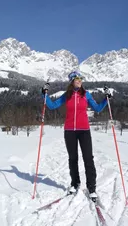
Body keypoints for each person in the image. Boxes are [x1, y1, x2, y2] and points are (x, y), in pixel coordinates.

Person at [41, 71, 112, 201]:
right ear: (72, 81)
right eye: (76, 79)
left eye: (80, 79)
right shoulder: (66, 96)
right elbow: (52, 106)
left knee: (88, 159)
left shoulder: (86, 95)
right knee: (72, 159)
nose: (79, 81)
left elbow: (97, 109)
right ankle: (75, 183)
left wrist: (106, 99)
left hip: (84, 130)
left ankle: (92, 188)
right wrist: (44, 94)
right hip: (69, 131)